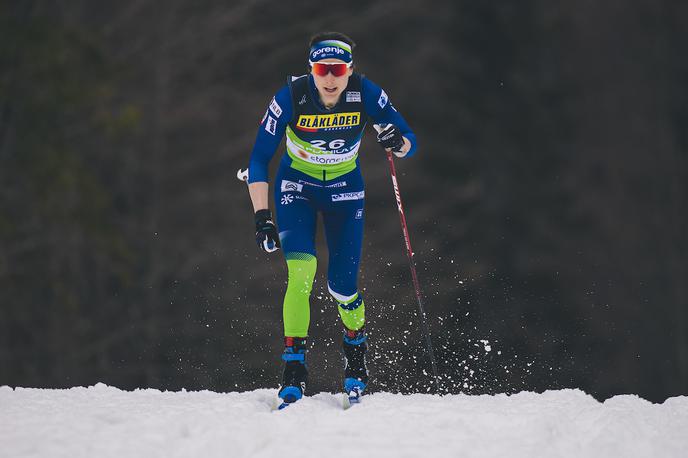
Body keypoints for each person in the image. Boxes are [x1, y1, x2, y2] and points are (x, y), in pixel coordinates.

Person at [246, 31, 417, 406]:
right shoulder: (291, 97)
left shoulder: (366, 93)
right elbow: (259, 159)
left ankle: (355, 355)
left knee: (342, 287)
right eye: (322, 69)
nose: (330, 78)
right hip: (297, 190)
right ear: (310, 70)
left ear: (349, 69)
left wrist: (395, 142)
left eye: (337, 69)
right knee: (301, 273)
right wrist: (262, 217)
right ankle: (293, 369)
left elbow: (409, 141)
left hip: (344, 193)